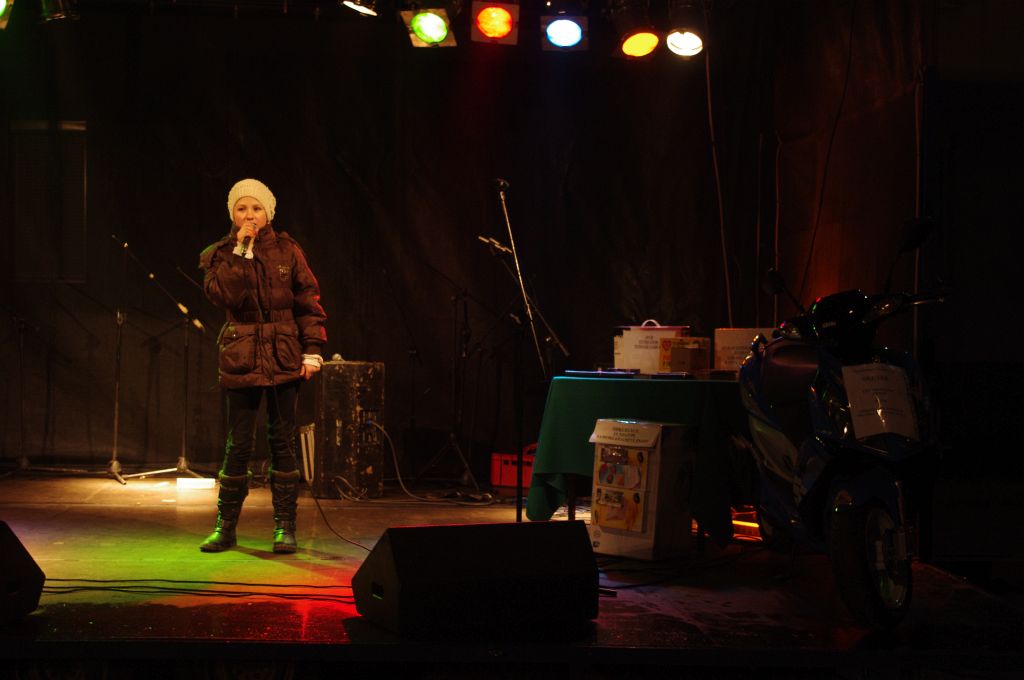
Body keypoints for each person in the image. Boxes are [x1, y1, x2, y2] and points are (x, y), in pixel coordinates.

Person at [197, 178, 327, 554]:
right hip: (242, 356)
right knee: (238, 443)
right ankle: (225, 527)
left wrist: (312, 349)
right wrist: (241, 252)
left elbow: (307, 300)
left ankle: (285, 527)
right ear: (233, 215)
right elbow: (224, 295)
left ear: (268, 212)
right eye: (242, 209)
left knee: (282, 440)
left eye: (256, 208)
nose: (249, 215)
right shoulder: (221, 254)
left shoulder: (288, 250)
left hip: (284, 355)